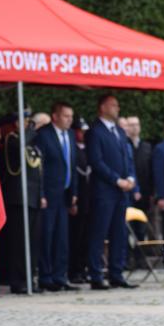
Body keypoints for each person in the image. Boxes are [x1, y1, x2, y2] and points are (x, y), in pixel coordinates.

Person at [85, 95, 139, 290]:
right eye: (113, 105)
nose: (118, 108)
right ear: (102, 107)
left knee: (119, 233)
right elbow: (96, 162)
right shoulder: (95, 132)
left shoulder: (119, 131)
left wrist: (131, 178)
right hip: (104, 191)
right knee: (99, 233)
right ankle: (96, 274)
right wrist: (117, 180)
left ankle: (117, 273)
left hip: (121, 192)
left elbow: (127, 158)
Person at [0, 116, 44, 295]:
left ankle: (30, 278)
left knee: (32, 242)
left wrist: (41, 195)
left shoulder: (31, 143)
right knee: (18, 242)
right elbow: (18, 149)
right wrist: (32, 129)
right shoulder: (12, 139)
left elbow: (38, 171)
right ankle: (17, 280)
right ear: (17, 123)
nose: (29, 124)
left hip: (33, 197)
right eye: (26, 121)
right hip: (18, 197)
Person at [35, 102, 79, 292]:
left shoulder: (70, 134)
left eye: (71, 116)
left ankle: (60, 276)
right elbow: (39, 168)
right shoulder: (43, 135)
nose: (69, 120)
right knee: (47, 236)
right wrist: (41, 193)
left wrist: (74, 192)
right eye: (66, 116)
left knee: (62, 238)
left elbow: (72, 164)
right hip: (49, 194)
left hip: (65, 194)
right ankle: (46, 276)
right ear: (55, 116)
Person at [68, 119, 92, 284]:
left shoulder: (88, 149)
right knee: (75, 237)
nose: (83, 134)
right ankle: (73, 270)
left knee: (86, 237)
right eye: (80, 131)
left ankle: (83, 268)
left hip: (89, 200)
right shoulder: (72, 148)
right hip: (78, 199)